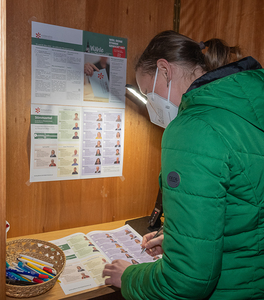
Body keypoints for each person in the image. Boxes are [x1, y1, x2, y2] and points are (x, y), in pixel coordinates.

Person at [102, 30, 264, 299]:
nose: (150, 105)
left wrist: (129, 276)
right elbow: (246, 211)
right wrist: (184, 239)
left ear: (165, 70)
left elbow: (185, 281)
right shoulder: (247, 109)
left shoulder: (191, 129)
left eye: (147, 93)